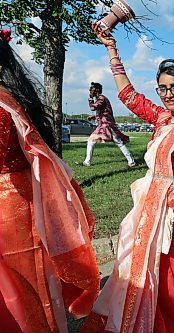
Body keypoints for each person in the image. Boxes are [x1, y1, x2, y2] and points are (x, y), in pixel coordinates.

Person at [82, 26, 174, 332]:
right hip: (150, 203)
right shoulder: (161, 118)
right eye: (163, 88)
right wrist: (111, 50)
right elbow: (127, 95)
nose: (169, 94)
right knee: (140, 265)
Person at [0, 29, 100, 332]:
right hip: (18, 199)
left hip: (9, 205)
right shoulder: (11, 99)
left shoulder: (3, 107)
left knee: (20, 285)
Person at [83, 81, 135, 167]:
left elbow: (93, 107)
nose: (89, 90)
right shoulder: (101, 98)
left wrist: (90, 99)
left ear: (97, 90)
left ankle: (131, 161)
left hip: (107, 125)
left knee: (118, 142)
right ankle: (87, 161)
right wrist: (94, 117)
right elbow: (104, 113)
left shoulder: (101, 98)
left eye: (91, 88)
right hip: (103, 125)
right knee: (91, 140)